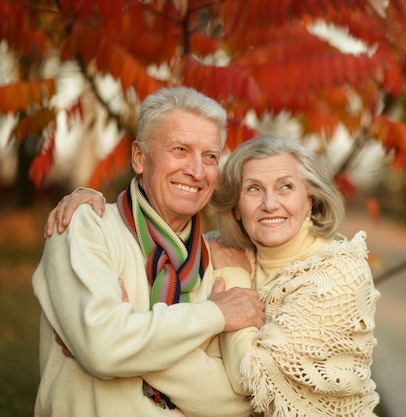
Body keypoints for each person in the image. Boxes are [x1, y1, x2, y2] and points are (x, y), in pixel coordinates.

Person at [46, 135, 381, 416]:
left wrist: (119, 345)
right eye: (253, 189)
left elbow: (250, 379)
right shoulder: (217, 250)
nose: (269, 203)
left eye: (286, 187)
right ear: (235, 206)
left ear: (310, 199)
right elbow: (144, 243)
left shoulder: (336, 274)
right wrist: (94, 206)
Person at [33, 86, 264, 417]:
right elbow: (103, 349)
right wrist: (213, 316)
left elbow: (236, 402)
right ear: (139, 157)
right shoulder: (86, 227)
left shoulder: (219, 261)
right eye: (180, 149)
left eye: (210, 156)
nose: (197, 171)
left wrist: (130, 339)